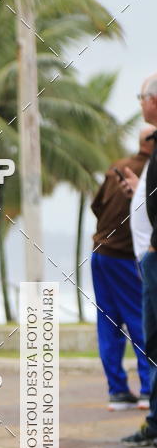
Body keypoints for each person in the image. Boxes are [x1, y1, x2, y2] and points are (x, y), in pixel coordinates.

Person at [90, 128, 154, 410]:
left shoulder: (117, 166)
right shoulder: (149, 170)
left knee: (108, 322)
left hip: (99, 253)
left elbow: (95, 206)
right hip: (125, 257)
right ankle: (147, 389)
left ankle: (117, 391)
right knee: (141, 320)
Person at [120, 74, 157, 445]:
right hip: (149, 259)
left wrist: (154, 248)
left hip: (154, 258)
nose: (140, 104)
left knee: (154, 341)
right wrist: (138, 194)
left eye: (142, 97)